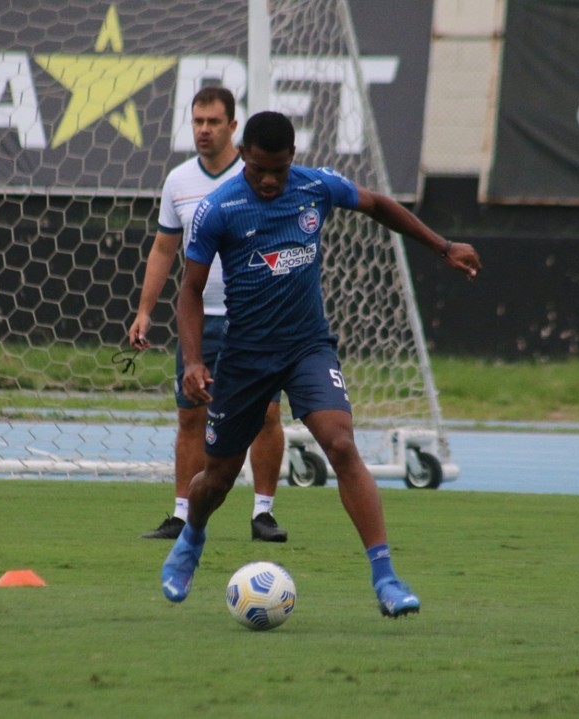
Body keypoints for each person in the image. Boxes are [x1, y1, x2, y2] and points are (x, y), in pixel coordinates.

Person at [161, 111, 481, 618]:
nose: (269, 180)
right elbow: (191, 292)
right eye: (260, 169)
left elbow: (376, 204)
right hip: (245, 357)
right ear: (243, 155)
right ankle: (191, 539)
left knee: (340, 443)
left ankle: (386, 578)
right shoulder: (217, 210)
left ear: (293, 160)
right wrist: (195, 361)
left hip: (308, 346)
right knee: (217, 479)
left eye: (279, 170)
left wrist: (442, 247)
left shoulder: (315, 187)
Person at [129, 88, 288, 543]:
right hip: (201, 320)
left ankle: (263, 513)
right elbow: (164, 248)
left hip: (255, 318)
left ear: (233, 127)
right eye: (197, 121)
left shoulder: (260, 177)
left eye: (213, 121)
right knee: (191, 416)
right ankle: (182, 514)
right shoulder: (179, 181)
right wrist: (144, 310)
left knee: (267, 414)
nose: (203, 129)